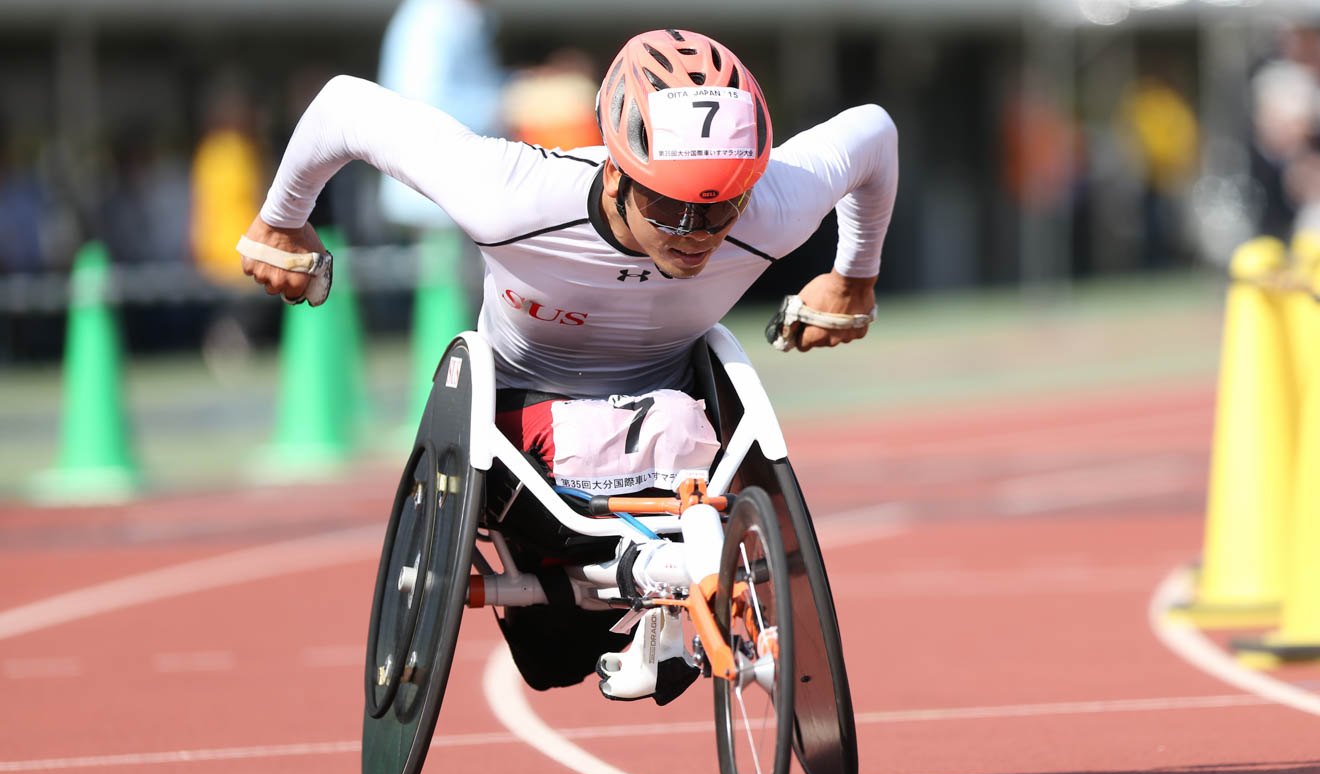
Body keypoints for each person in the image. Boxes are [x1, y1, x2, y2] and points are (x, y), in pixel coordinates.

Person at [239, 28, 898, 700]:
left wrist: (855, 275)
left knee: (682, 437)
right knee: (553, 661)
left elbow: (874, 133)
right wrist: (280, 218)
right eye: (670, 208)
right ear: (616, 170)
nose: (696, 235)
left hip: (676, 415)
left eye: (721, 208)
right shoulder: (510, 191)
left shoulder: (773, 203)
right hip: (520, 424)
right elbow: (345, 106)